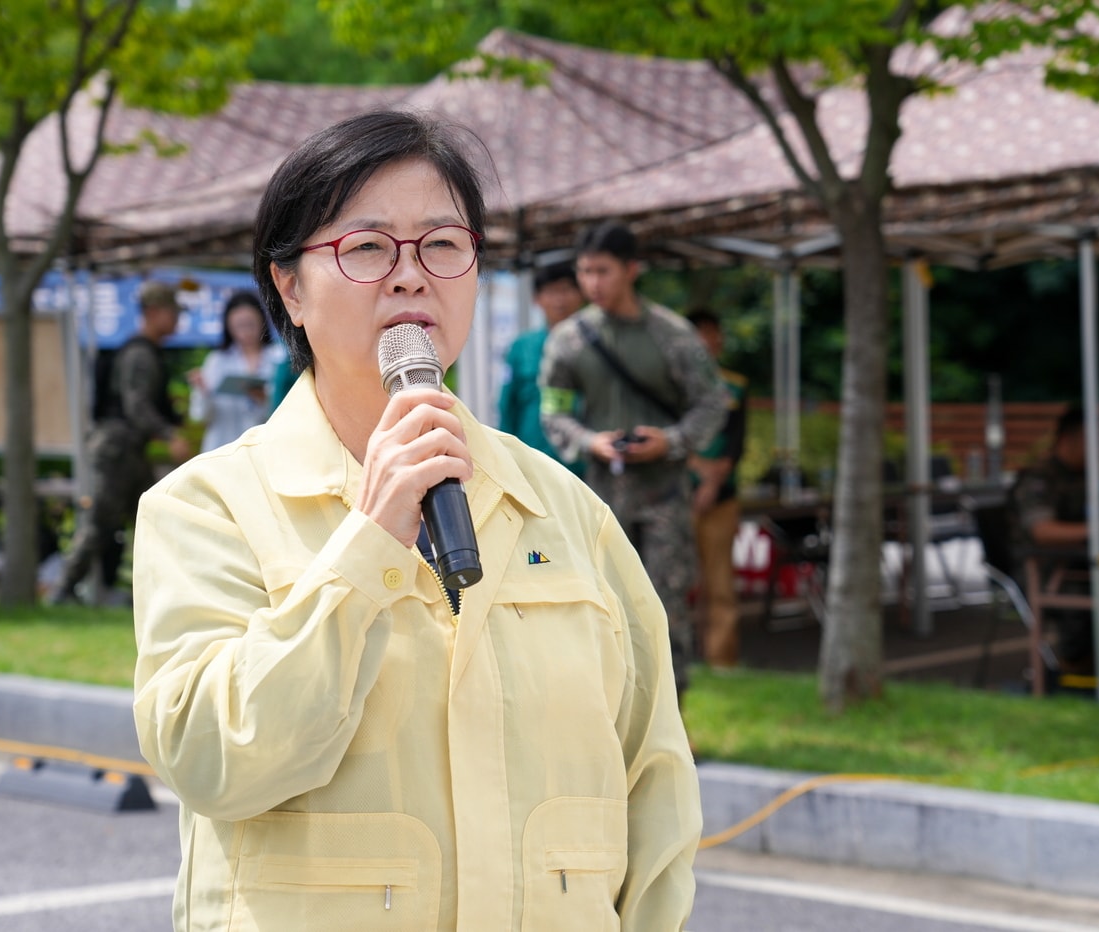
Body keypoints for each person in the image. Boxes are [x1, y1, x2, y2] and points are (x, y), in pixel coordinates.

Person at [131, 111, 700, 931]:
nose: (411, 276)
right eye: (366, 249)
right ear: (289, 286)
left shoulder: (564, 507)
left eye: (442, 245)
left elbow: (655, 782)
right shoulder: (207, 507)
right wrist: (365, 547)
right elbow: (211, 762)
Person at [539, 222, 727, 702]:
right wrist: (590, 442)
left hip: (664, 493)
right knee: (602, 604)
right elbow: (554, 412)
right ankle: (612, 718)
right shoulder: (569, 340)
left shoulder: (671, 335)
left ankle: (672, 718)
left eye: (603, 271)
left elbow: (713, 402)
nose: (592, 283)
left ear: (632, 270)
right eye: (585, 272)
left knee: (665, 607)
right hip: (600, 498)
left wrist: (672, 441)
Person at [47, 280, 191, 605]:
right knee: (102, 522)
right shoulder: (140, 354)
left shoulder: (145, 351)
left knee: (149, 519)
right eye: (172, 312)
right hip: (117, 449)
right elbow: (136, 406)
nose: (177, 321)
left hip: (128, 450)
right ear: (154, 313)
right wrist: (169, 435)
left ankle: (149, 593)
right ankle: (62, 589)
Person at [1009, 404, 1099, 675]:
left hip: (1087, 561)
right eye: (1091, 440)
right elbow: (1042, 532)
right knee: (1082, 596)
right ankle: (1076, 671)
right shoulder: (1040, 478)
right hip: (1040, 569)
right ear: (1068, 439)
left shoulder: (1092, 476)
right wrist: (1098, 530)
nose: (1098, 448)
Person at [685, 309, 749, 670]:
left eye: (714, 333)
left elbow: (737, 441)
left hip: (721, 498)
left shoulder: (735, 384)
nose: (711, 340)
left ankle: (722, 660)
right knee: (672, 582)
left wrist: (712, 482)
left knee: (721, 584)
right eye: (702, 333)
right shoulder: (671, 382)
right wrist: (695, 469)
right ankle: (677, 661)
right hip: (677, 495)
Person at [497, 262, 584, 474]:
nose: (559, 300)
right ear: (537, 299)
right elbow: (508, 404)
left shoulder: (595, 345)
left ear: (580, 294)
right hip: (533, 459)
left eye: (566, 290)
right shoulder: (522, 347)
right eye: (551, 292)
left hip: (583, 461)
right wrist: (505, 456)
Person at [187, 290, 287, 453]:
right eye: (239, 326)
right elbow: (200, 416)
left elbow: (288, 409)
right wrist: (202, 391)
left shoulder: (278, 357)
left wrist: (266, 399)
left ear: (262, 321)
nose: (246, 332)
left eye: (250, 324)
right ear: (229, 326)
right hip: (222, 448)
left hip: (266, 449)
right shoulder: (218, 361)